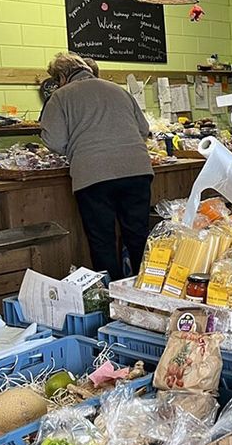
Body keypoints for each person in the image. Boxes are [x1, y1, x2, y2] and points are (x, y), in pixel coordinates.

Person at [40, 52, 154, 280]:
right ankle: (148, 291)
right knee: (138, 236)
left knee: (102, 241)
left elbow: (53, 140)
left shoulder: (61, 97)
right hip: (137, 170)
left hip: (93, 175)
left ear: (62, 76)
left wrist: (77, 147)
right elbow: (144, 129)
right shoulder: (117, 89)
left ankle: (113, 299)